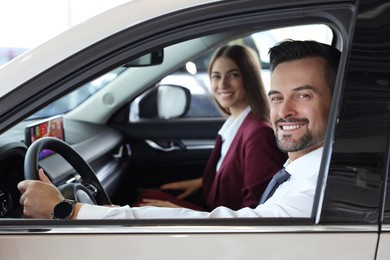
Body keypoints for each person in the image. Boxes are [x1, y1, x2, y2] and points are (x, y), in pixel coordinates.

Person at [18, 39, 341, 219]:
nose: (283, 111)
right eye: (277, 97)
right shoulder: (298, 170)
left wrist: (68, 210)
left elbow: (243, 225)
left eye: (303, 95)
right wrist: (197, 185)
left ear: (340, 102)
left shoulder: (316, 187)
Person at [135, 44, 286, 211]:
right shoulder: (237, 124)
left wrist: (182, 213)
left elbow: (255, 210)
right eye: (216, 76)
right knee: (145, 200)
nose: (223, 84)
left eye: (233, 75)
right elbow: (236, 174)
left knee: (142, 206)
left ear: (249, 78)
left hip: (229, 228)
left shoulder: (258, 133)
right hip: (219, 216)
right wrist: (203, 183)